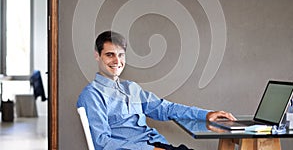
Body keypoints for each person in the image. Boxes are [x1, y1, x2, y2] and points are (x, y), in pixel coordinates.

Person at [77, 31, 236, 150]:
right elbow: (102, 143)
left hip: (157, 143)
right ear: (97, 56)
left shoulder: (131, 88)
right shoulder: (92, 95)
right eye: (110, 55)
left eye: (121, 55)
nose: (117, 61)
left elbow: (166, 108)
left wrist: (206, 114)